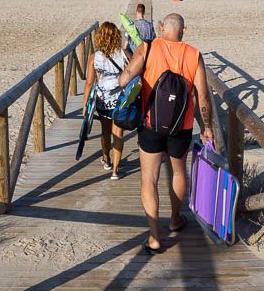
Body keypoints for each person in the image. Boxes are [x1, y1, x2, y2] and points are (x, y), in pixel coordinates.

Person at [112, 13, 213, 254]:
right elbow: (203, 97)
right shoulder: (194, 54)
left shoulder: (148, 48)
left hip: (151, 125)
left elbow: (123, 80)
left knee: (149, 179)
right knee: (178, 172)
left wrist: (133, 72)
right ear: (183, 31)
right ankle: (176, 218)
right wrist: (206, 127)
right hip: (181, 127)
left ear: (161, 28)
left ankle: (155, 237)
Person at [83, 21, 130, 181]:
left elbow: (89, 83)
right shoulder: (124, 54)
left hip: (102, 99)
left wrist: (85, 104)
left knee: (105, 131)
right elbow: (133, 74)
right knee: (118, 133)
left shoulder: (94, 57)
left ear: (100, 37)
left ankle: (106, 159)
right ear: (116, 36)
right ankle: (115, 171)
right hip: (120, 99)